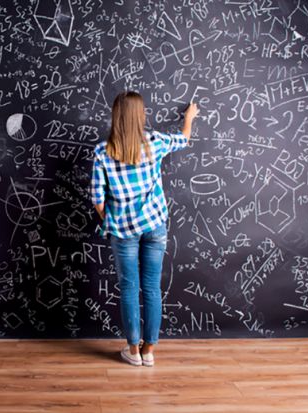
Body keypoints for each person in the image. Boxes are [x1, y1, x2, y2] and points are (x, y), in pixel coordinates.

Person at [90, 91, 198, 367]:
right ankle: (149, 350)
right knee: (151, 287)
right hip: (154, 225)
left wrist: (112, 220)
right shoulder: (154, 142)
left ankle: (132, 350)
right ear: (142, 115)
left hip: (122, 231)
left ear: (116, 116)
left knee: (129, 287)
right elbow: (184, 139)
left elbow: (97, 199)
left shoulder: (102, 152)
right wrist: (189, 118)